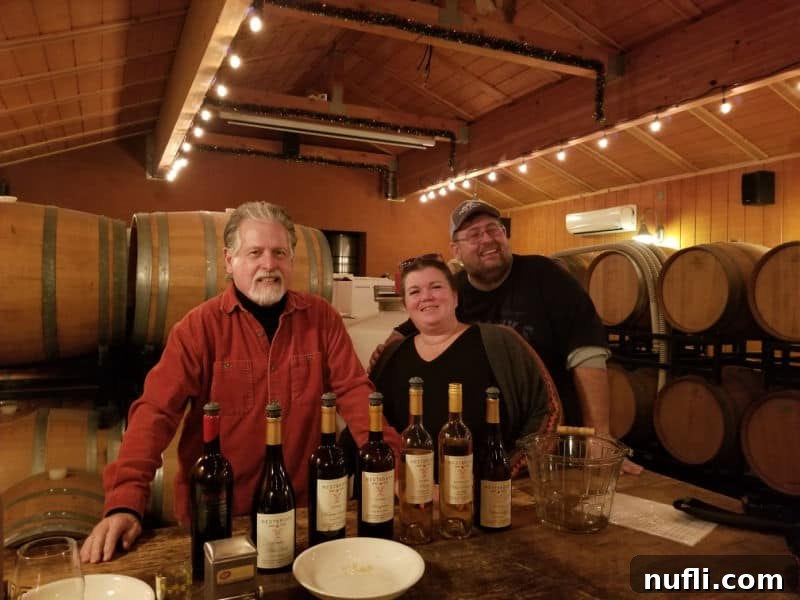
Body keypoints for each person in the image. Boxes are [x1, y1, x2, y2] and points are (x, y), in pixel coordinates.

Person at [81, 201, 400, 563]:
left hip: (298, 514)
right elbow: (155, 412)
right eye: (255, 253)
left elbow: (355, 393)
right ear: (229, 261)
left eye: (279, 252)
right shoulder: (198, 328)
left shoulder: (321, 318)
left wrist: (394, 465)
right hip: (218, 517)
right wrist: (125, 503)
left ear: (292, 261)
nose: (269, 264)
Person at [373, 199, 642, 474]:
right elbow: (415, 323)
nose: (488, 240)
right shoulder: (458, 291)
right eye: (475, 235)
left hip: (555, 434)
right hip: (494, 443)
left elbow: (587, 353)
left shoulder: (546, 276)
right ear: (456, 250)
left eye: (494, 230)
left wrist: (597, 436)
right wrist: (385, 354)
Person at [372, 255, 561, 476]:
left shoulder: (501, 342)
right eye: (415, 291)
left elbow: (547, 411)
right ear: (406, 305)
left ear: (455, 297)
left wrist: (506, 471)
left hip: (491, 494)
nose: (426, 297)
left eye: (436, 287)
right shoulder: (391, 355)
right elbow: (370, 425)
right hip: (408, 498)